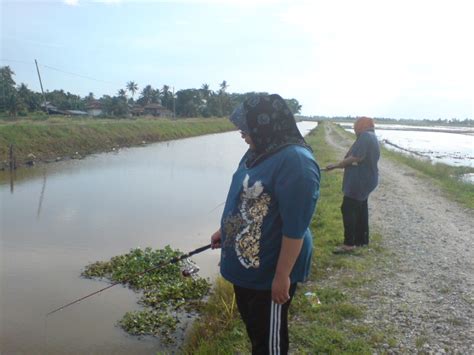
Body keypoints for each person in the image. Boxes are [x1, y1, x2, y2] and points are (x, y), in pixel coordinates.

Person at [210, 94, 320, 354]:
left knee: (269, 341)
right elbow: (243, 199)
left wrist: (282, 276)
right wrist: (225, 232)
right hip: (246, 266)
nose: (241, 132)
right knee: (255, 330)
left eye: (245, 127)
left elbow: (296, 227)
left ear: (265, 123)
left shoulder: (296, 162)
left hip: (269, 269)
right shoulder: (257, 152)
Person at [326, 117, 380, 253]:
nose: (355, 130)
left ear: (362, 126)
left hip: (361, 180)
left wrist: (336, 165)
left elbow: (357, 157)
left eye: (356, 127)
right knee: (361, 208)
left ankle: (349, 244)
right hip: (368, 179)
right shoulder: (372, 136)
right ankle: (361, 240)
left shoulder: (365, 136)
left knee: (348, 208)